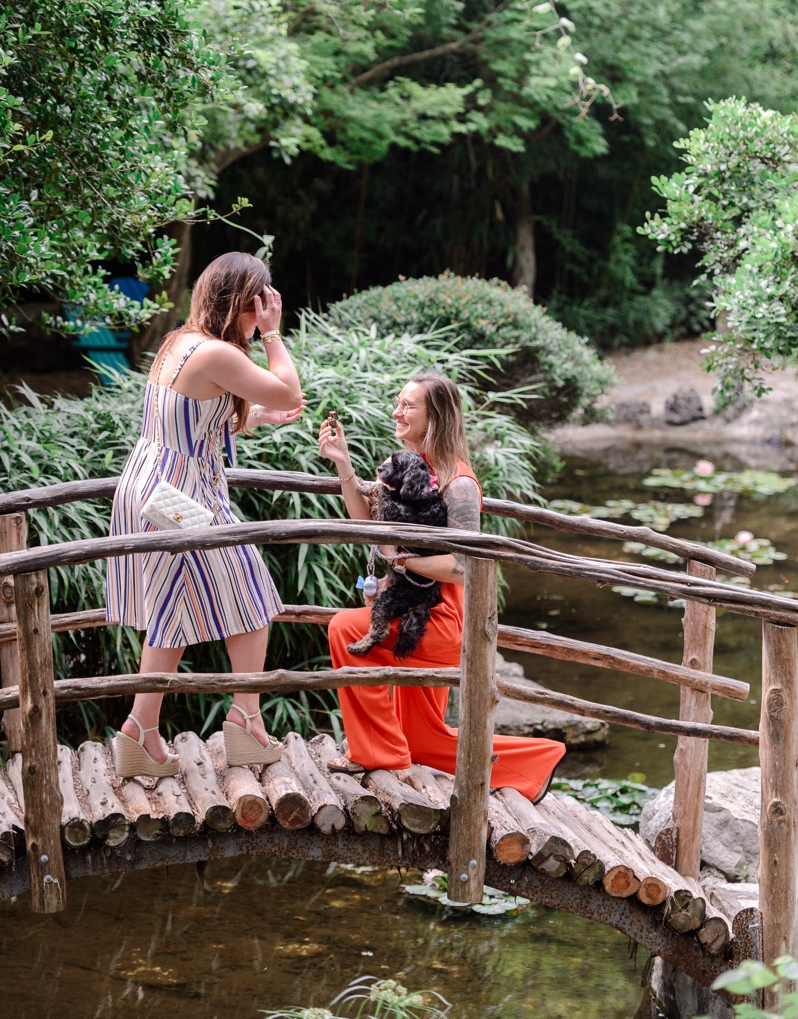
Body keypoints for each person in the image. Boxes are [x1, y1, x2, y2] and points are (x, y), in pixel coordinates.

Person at [318, 373, 566, 802]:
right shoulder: (407, 468)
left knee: (344, 628)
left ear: (436, 417)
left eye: (408, 405)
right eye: (399, 402)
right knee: (421, 739)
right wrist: (343, 463)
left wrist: (399, 558)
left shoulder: (459, 483)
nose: (397, 411)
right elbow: (368, 524)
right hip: (411, 607)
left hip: (445, 621)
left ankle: (376, 753)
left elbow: (463, 567)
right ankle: (536, 761)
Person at [106, 251, 304, 778]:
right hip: (177, 495)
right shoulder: (218, 352)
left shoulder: (179, 340)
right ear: (247, 302)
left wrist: (257, 416)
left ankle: (141, 732)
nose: (262, 313)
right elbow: (290, 387)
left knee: (175, 609)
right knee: (254, 593)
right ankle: (244, 723)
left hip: (151, 485)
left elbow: (189, 420)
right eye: (260, 304)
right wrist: (272, 334)